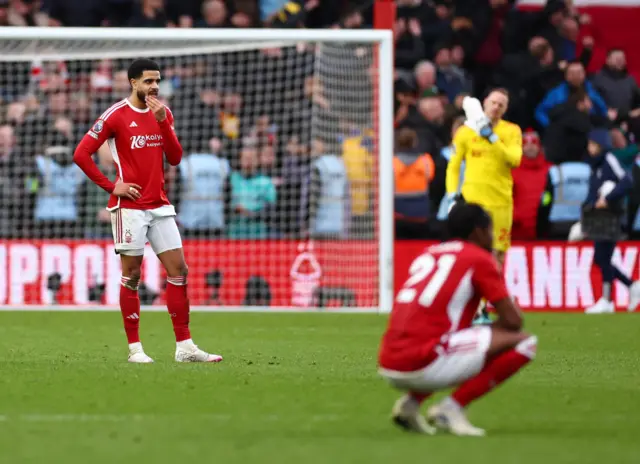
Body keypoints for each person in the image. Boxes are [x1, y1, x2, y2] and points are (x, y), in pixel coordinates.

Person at [73, 58, 223, 364]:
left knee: (179, 271)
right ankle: (135, 349)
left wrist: (163, 123)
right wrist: (111, 186)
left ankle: (185, 346)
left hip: (160, 204)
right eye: (148, 81)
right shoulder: (115, 115)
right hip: (129, 207)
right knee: (131, 275)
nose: (154, 86)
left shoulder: (163, 113)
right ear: (133, 83)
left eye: (157, 80)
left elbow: (176, 157)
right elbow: (81, 154)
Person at [378, 203, 537, 436]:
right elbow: (514, 322)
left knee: (459, 338)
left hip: (387, 360)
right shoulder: (479, 258)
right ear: (478, 231)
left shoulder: (430, 252)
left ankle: (410, 405)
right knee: (525, 342)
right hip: (422, 361)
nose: (492, 237)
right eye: (490, 230)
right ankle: (452, 408)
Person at [445, 89, 523, 324]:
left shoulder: (511, 131)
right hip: (473, 202)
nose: (496, 106)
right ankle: (476, 309)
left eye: (502, 103)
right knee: (472, 254)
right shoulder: (465, 133)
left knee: (497, 255)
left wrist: (491, 138)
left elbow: (514, 159)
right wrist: (452, 195)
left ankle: (486, 304)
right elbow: (453, 165)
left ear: (505, 109)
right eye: (493, 102)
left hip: (500, 203)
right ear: (485, 103)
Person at [581, 129, 640, 314]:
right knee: (602, 258)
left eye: (592, 144)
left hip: (612, 216)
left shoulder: (609, 160)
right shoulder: (595, 165)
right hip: (600, 218)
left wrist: (608, 198)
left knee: (602, 257)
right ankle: (627, 288)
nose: (589, 148)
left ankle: (609, 299)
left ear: (599, 144)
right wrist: (587, 209)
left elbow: (626, 180)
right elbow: (593, 191)